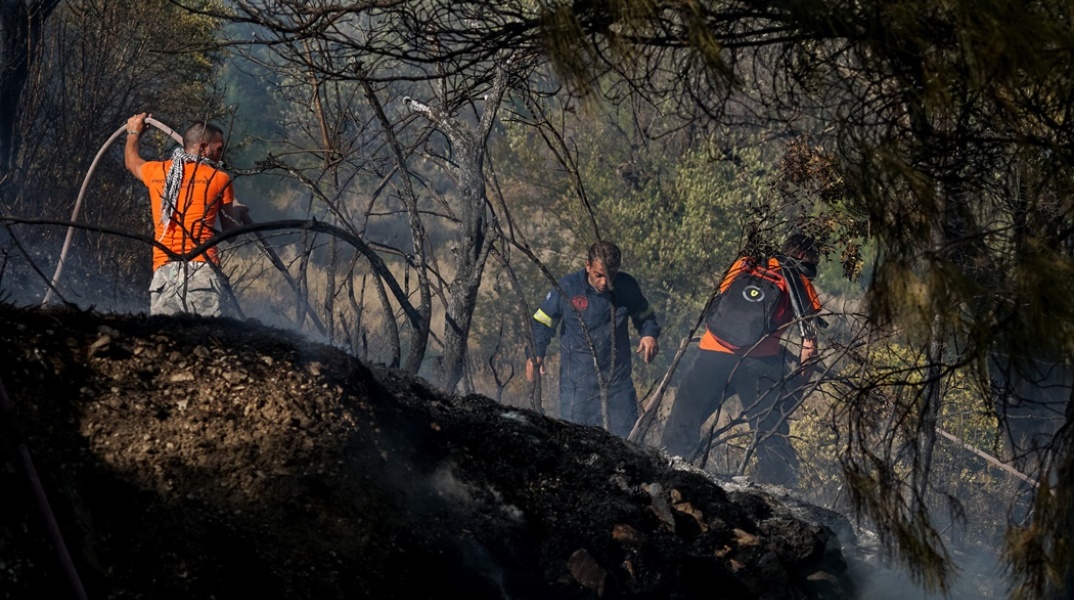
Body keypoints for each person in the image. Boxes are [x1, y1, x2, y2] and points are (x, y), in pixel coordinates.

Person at [659, 233, 823, 487]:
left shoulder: (745, 263)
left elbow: (720, 303)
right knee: (770, 434)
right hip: (759, 365)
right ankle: (783, 491)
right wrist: (797, 387)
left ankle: (668, 475)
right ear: (802, 257)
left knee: (684, 417)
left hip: (711, 353)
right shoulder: (800, 282)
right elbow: (809, 346)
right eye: (814, 262)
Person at [526, 241, 661, 437]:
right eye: (599, 275)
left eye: (610, 276)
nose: (605, 283)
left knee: (628, 442)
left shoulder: (627, 286)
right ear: (587, 265)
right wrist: (536, 353)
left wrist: (649, 334)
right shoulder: (568, 287)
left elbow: (645, 315)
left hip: (618, 382)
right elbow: (541, 323)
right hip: (577, 385)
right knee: (576, 441)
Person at [124, 113, 247, 317]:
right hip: (203, 273)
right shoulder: (220, 179)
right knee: (204, 340)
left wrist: (133, 132)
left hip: (164, 272)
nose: (220, 155)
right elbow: (231, 234)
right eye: (218, 149)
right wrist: (238, 212)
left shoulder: (157, 172)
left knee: (166, 340)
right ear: (203, 148)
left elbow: (131, 161)